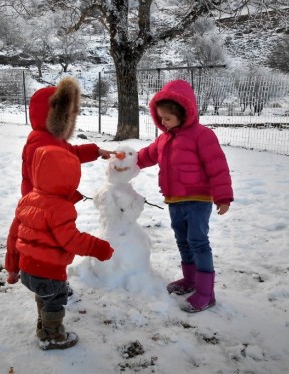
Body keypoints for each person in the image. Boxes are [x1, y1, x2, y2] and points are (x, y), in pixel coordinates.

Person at [5, 76, 113, 286]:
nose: (70, 121)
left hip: (40, 200)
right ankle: (42, 279)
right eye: (67, 116)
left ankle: (26, 271)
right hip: (42, 201)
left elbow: (71, 152)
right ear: (53, 116)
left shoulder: (52, 140)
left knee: (34, 238)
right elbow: (53, 168)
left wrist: (96, 151)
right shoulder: (41, 142)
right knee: (46, 241)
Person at [137, 79, 233, 313]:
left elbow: (216, 166)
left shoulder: (202, 135)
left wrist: (223, 196)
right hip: (174, 200)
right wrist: (125, 160)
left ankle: (206, 292)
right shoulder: (164, 139)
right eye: (160, 118)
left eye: (167, 118)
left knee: (198, 242)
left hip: (198, 199)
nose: (163, 122)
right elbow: (146, 156)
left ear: (183, 113)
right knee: (182, 241)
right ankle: (189, 280)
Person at [12, 145, 114, 350]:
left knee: (44, 297)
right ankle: (53, 336)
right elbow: (71, 240)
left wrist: (12, 266)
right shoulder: (60, 208)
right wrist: (98, 248)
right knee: (55, 300)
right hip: (49, 272)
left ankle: (44, 326)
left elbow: (14, 233)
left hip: (27, 269)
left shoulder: (28, 199)